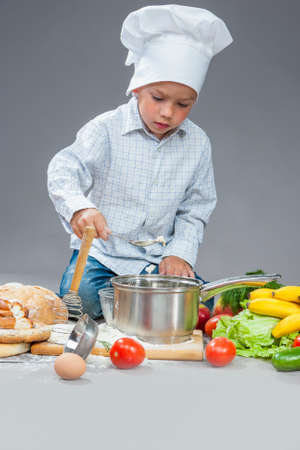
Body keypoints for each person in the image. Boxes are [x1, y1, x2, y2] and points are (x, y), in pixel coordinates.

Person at [47, 5, 233, 319]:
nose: (167, 113)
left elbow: (196, 209)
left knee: (204, 308)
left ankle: (140, 306)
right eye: (158, 98)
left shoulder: (198, 143)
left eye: (182, 104)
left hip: (158, 262)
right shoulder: (106, 129)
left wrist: (178, 253)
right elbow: (64, 168)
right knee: (85, 301)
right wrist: (80, 207)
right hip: (103, 258)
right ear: (137, 88)